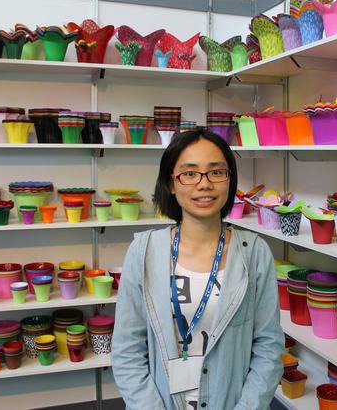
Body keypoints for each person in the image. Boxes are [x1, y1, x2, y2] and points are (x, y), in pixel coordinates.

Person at [112, 128, 284, 410]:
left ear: (230, 179)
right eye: (189, 173)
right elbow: (127, 351)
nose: (204, 184)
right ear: (171, 183)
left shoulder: (254, 253)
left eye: (216, 172)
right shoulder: (144, 252)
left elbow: (268, 348)